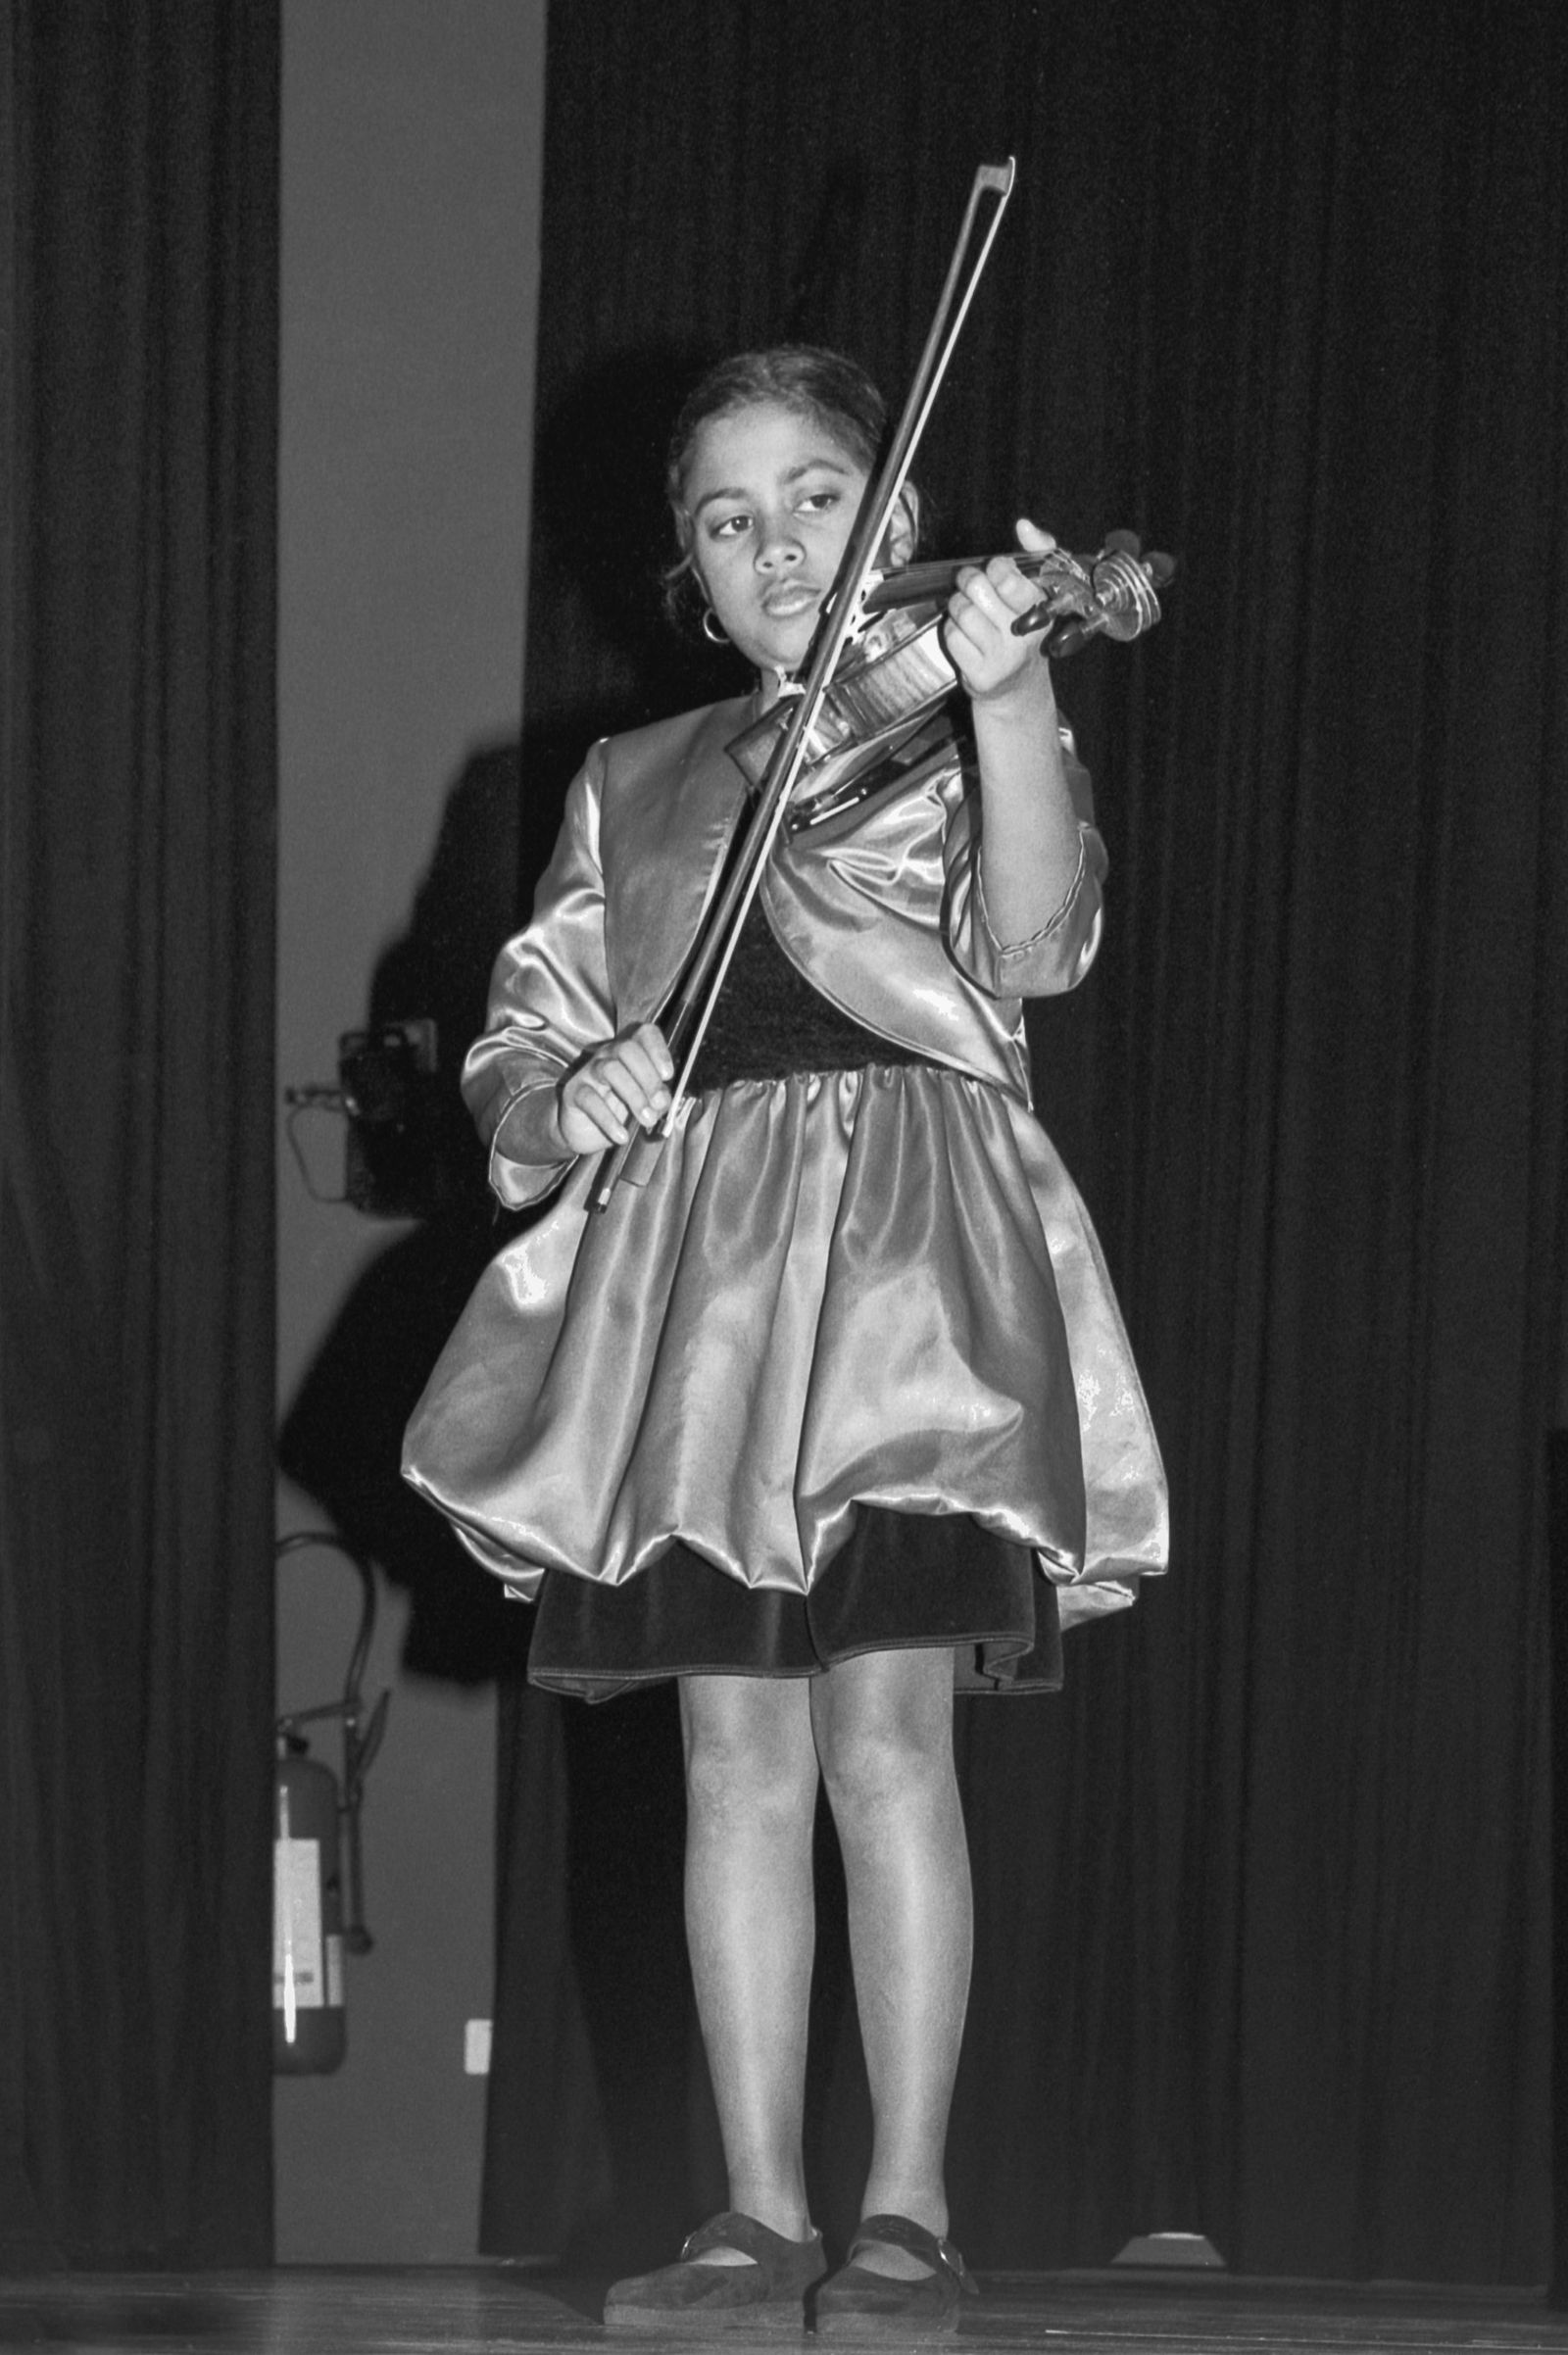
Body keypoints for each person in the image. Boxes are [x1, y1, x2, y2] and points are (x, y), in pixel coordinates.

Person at [403, 346, 1166, 2338]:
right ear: (690, 566)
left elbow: (1036, 944)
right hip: (706, 1289)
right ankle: (751, 2209)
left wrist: (1011, 690)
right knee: (729, 1757)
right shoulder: (636, 777)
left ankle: (905, 2210)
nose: (778, 544)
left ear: (894, 515)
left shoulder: (962, 709)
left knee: (885, 1743)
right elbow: (522, 1041)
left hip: (903, 1263)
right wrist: (568, 1098)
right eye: (727, 519)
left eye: (818, 496)